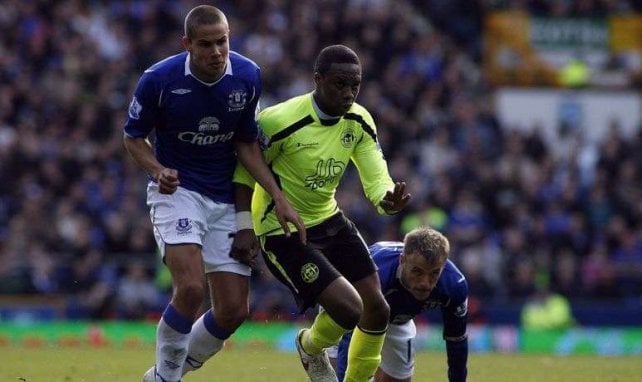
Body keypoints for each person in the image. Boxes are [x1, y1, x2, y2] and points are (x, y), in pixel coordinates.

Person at [122, 5, 305, 382]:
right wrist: (158, 170)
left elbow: (247, 146)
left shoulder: (248, 76)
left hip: (226, 198)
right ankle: (166, 380)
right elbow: (133, 138)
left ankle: (163, 373)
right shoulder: (159, 79)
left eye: (222, 42)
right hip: (179, 191)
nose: (216, 52)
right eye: (205, 44)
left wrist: (276, 199)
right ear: (187, 44)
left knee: (233, 310)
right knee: (189, 289)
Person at [234, 44, 411, 382]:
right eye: (340, 84)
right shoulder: (279, 120)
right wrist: (244, 226)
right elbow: (244, 171)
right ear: (317, 80)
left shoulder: (359, 119)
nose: (348, 93)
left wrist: (386, 198)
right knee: (349, 308)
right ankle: (311, 347)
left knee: (378, 310)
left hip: (328, 218)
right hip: (281, 230)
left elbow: (375, 173)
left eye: (355, 85)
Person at [333, 227, 469, 382]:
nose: (425, 283)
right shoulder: (375, 273)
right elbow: (348, 333)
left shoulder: (454, 284)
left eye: (434, 274)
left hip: (398, 320)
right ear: (402, 260)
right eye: (417, 272)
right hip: (345, 309)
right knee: (337, 375)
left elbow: (456, 343)